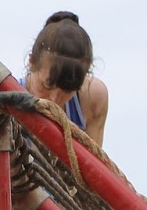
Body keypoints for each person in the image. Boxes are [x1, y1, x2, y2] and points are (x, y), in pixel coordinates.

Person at [23, 12, 108, 146]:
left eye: (67, 91)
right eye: (47, 86)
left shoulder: (92, 98)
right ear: (32, 63)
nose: (54, 100)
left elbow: (91, 164)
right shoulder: (6, 99)